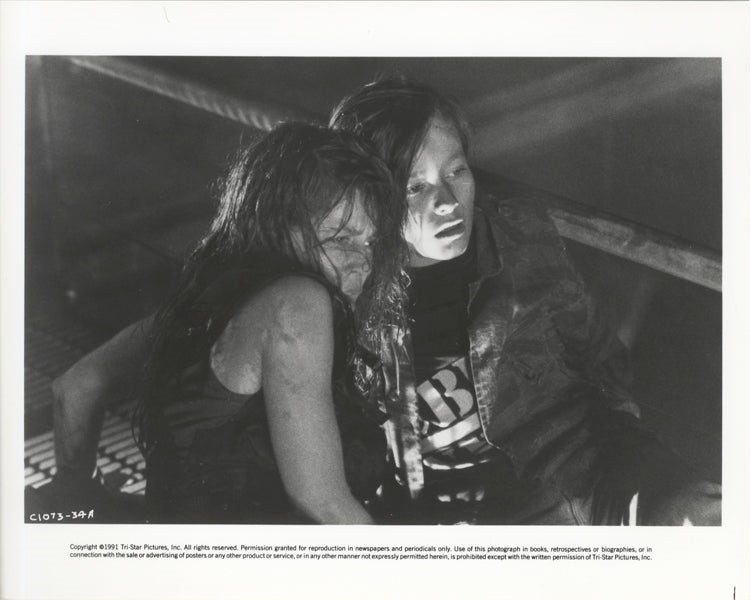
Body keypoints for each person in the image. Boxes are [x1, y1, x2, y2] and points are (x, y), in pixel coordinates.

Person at [330, 77, 721, 525]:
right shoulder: (353, 296)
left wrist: (635, 466)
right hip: (466, 521)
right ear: (371, 197)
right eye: (415, 187)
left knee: (700, 519)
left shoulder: (519, 240)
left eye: (456, 171)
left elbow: (597, 353)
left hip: (588, 481)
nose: (448, 202)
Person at [49, 122, 408, 524]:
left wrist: (80, 500)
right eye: (341, 239)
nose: (364, 262)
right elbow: (324, 505)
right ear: (278, 224)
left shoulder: (202, 305)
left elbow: (74, 389)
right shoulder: (297, 303)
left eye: (371, 242)